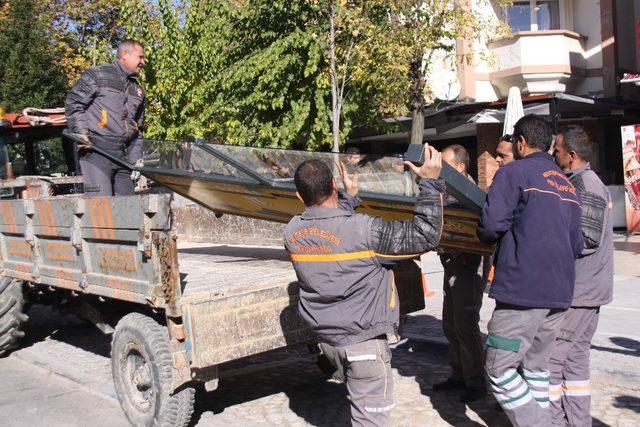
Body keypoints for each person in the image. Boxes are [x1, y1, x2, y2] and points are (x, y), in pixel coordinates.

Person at [284, 146, 445, 426]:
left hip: (329, 343)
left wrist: (350, 197)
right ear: (333, 184)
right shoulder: (366, 231)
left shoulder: (292, 232)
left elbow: (331, 227)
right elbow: (425, 235)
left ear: (299, 196)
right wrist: (430, 183)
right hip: (363, 345)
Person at [477, 115, 584, 426]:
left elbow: (492, 224)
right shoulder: (567, 184)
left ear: (520, 143)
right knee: (536, 367)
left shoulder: (513, 173)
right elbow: (577, 244)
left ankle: (540, 423)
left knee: (499, 369)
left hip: (522, 293)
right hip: (559, 294)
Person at [549, 126, 613, 426]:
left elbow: (587, 239)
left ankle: (553, 421)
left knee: (551, 360)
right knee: (575, 363)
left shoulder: (585, 185)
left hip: (580, 292)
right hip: (586, 290)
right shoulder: (580, 182)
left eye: (557, 151)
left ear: (571, 156)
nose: (553, 154)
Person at [433, 144, 486, 403]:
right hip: (449, 263)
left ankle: (476, 381)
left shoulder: (470, 194)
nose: (440, 168)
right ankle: (458, 374)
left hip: (466, 267)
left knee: (466, 326)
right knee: (450, 325)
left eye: (445, 164)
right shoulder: (445, 189)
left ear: (461, 167)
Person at [65, 39, 146, 197]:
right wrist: (81, 133)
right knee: (101, 209)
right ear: (124, 55)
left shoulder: (138, 90)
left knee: (128, 208)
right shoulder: (98, 75)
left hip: (123, 156)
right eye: (140, 57)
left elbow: (137, 128)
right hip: (96, 152)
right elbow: (74, 103)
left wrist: (136, 160)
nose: (143, 62)